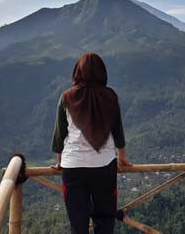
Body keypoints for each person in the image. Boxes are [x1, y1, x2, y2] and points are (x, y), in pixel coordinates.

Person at [51, 52, 132, 234]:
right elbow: (117, 129)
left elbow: (60, 133)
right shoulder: (111, 96)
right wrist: (122, 157)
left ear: (77, 72)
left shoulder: (66, 97)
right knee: (104, 220)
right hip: (104, 166)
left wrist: (59, 160)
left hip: (73, 166)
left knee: (78, 222)